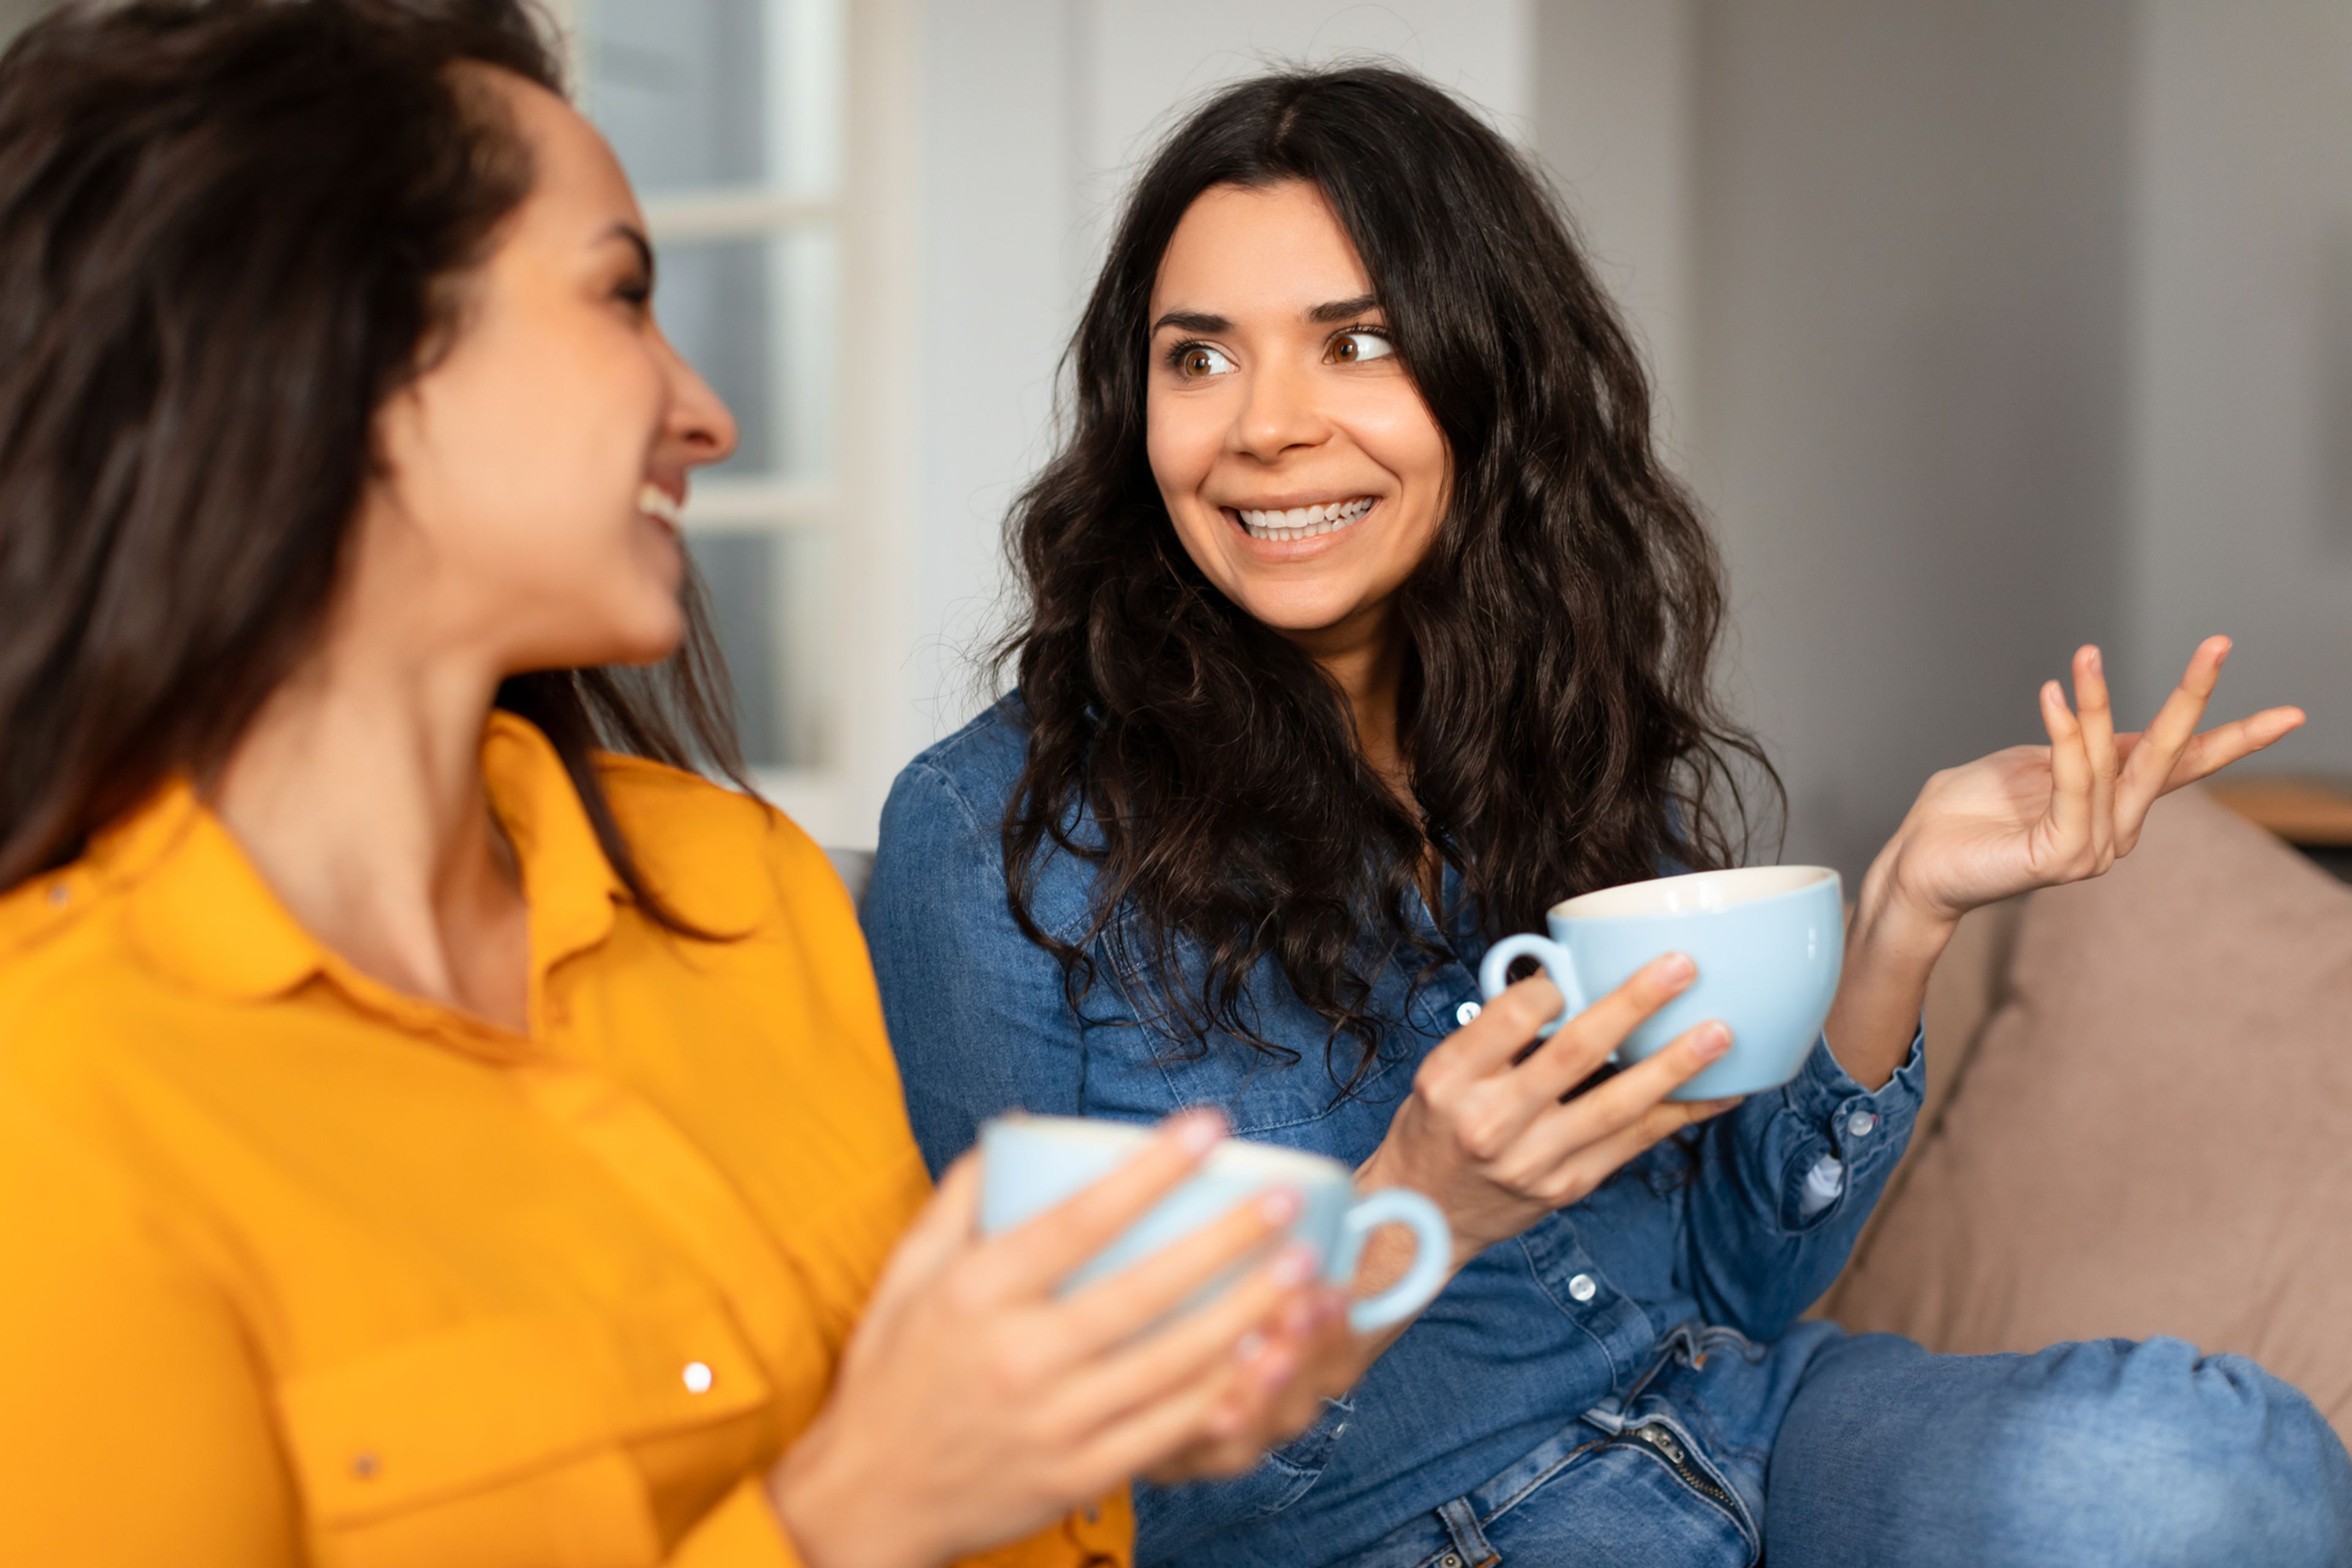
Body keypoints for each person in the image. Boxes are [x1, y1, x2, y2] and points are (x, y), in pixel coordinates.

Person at [864, 65, 2352, 1568]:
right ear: (1138, 408)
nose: (1266, 427)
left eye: (1356, 342)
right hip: (1395, 1534)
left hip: (1735, 1427)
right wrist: (1409, 1210)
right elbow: (1055, 1483)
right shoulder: (992, 835)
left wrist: (1909, 903)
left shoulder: (1544, 740)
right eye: (1200, 359)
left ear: (1483, 373)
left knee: (2207, 1465)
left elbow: (1735, 1274)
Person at [0, 6, 1348, 1566]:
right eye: (620, 295)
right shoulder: (59, 1096)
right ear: (326, 355)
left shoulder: (738, 888)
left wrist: (1091, 1424)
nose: (704, 409)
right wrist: (846, 1519)